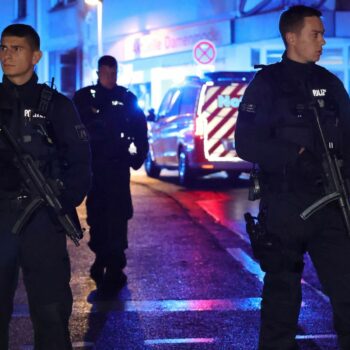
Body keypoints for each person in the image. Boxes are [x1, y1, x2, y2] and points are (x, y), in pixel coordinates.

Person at [236, 5, 350, 350]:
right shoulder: (267, 83)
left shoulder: (329, 83)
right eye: (315, 34)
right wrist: (295, 156)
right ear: (291, 37)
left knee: (346, 293)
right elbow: (246, 142)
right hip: (286, 205)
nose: (323, 41)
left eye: (323, 34)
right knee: (282, 299)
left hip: (329, 203)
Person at [0, 24, 91, 350]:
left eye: (16, 49)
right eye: (4, 48)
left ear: (36, 56)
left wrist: (60, 199)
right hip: (0, 218)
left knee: (51, 314)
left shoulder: (57, 106)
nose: (7, 55)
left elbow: (81, 163)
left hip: (42, 221)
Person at [73, 55, 149, 292]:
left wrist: (137, 158)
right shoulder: (84, 98)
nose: (109, 77)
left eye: (113, 73)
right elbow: (72, 131)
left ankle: (115, 266)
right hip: (94, 168)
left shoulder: (127, 98)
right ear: (98, 73)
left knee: (118, 217)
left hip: (117, 168)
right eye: (106, 73)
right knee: (97, 216)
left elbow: (140, 130)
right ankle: (101, 257)